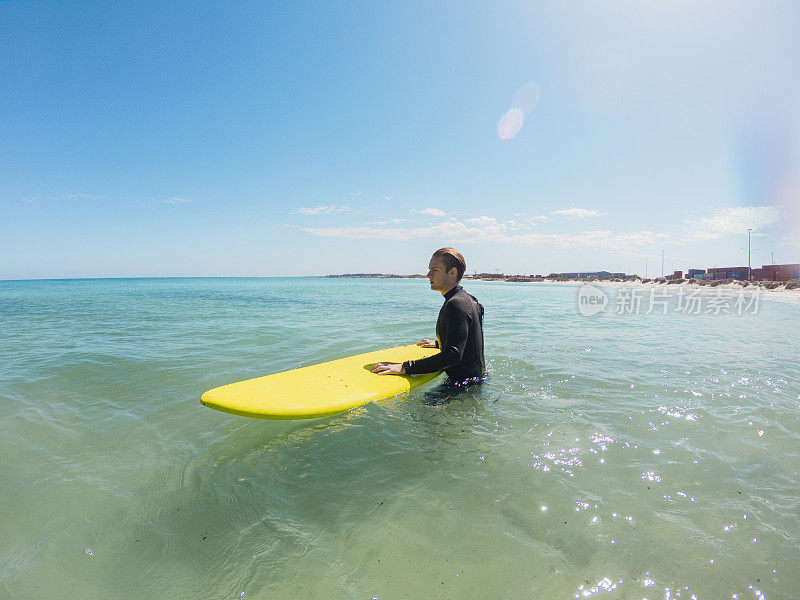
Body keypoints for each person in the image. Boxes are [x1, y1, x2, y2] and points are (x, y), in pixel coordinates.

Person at [371, 247, 485, 384]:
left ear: (452, 272)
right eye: (429, 269)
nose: (428, 274)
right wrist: (440, 343)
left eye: (434, 270)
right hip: (474, 381)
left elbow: (452, 356)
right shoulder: (470, 300)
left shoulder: (456, 304)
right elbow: (468, 341)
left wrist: (405, 367)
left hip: (463, 388)